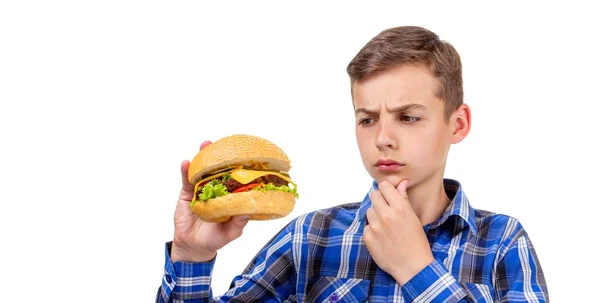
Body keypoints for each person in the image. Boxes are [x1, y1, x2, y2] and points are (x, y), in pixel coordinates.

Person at [156, 25, 549, 302]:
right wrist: (192, 256)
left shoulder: (502, 243)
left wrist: (418, 271)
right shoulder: (310, 239)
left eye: (408, 117)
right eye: (367, 119)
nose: (382, 138)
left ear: (457, 124)